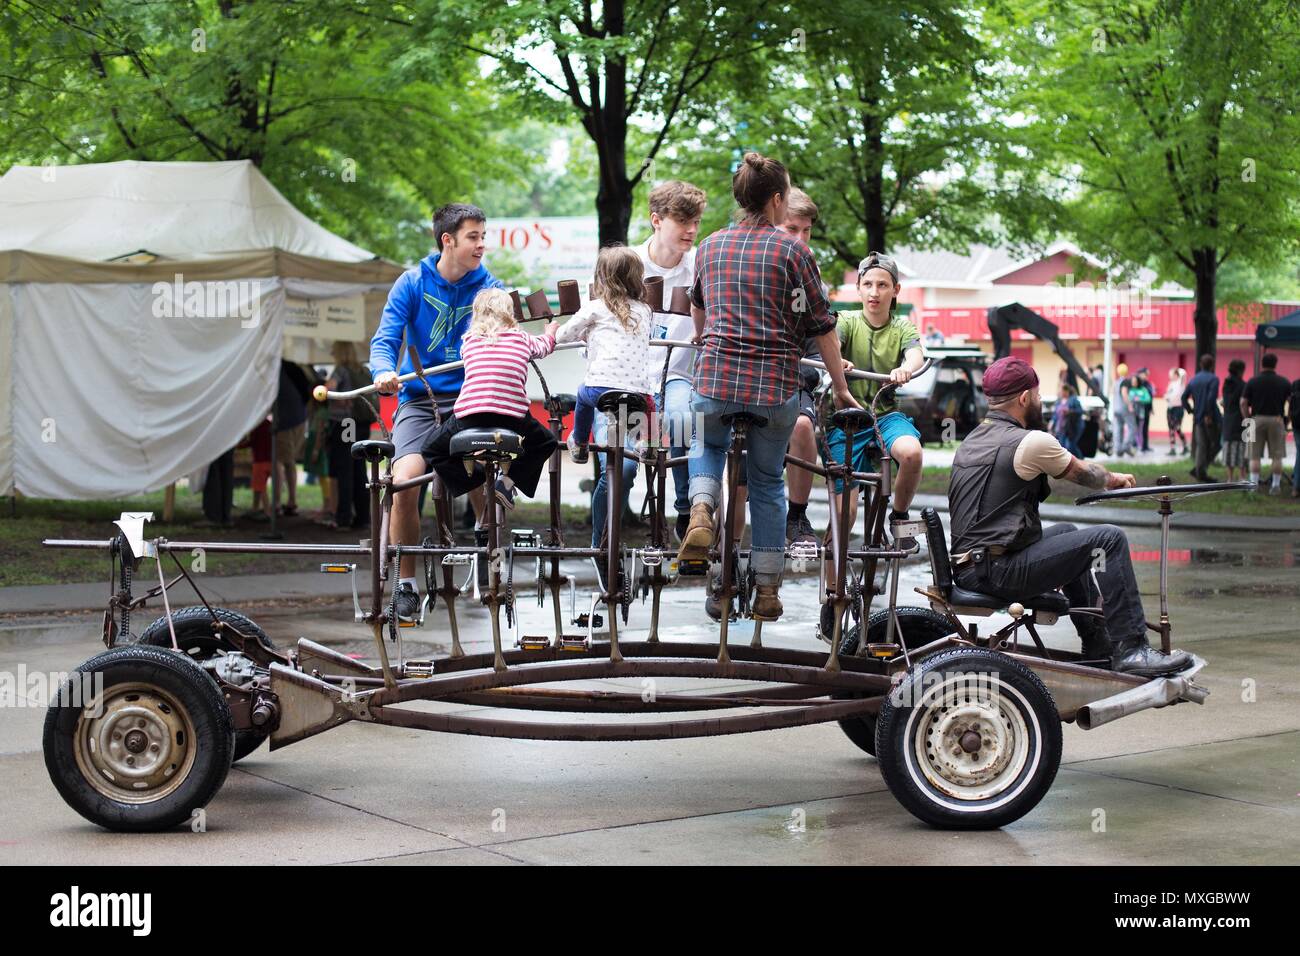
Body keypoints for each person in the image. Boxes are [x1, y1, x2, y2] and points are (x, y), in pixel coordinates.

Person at [677, 152, 859, 621]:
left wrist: (705, 335)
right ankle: (768, 588)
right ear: (777, 200)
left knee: (705, 438)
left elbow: (698, 308)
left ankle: (701, 507)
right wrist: (840, 388)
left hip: (714, 380)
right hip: (773, 390)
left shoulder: (710, 246)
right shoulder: (794, 253)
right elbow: (822, 326)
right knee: (765, 482)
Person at [947, 356, 1192, 677]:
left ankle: (1097, 642)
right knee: (1108, 539)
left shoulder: (972, 439)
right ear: (1024, 397)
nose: (1039, 401)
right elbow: (1084, 473)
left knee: (1066, 532)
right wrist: (1113, 478)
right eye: (1036, 395)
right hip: (995, 571)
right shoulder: (1030, 441)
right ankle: (1132, 649)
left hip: (972, 566)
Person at [371, 203, 504, 620]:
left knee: (485, 474)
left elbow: (504, 340)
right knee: (404, 482)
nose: (482, 245)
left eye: (483, 236)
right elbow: (385, 339)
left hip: (471, 399)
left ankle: (489, 555)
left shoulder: (490, 288)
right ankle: (406, 586)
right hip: (420, 402)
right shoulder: (411, 283)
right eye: (473, 237)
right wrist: (384, 371)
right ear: (448, 240)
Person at [818, 251, 926, 636]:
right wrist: (837, 362)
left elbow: (915, 352)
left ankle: (896, 518)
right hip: (847, 416)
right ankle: (832, 597)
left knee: (911, 454)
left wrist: (906, 369)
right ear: (859, 288)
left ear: (895, 290)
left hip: (884, 412)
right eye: (868, 285)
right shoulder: (846, 321)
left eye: (882, 285)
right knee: (843, 514)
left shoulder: (901, 327)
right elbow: (830, 341)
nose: (874, 292)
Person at [556, 246, 655, 549]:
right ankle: (648, 441)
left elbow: (563, 336)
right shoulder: (645, 311)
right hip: (637, 392)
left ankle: (579, 441)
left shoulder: (594, 308)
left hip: (600, 389)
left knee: (583, 396)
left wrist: (583, 335)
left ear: (601, 278)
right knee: (651, 404)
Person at [423, 289, 559, 507]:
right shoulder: (522, 339)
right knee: (546, 442)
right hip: (512, 418)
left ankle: (476, 478)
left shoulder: (468, 340)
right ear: (509, 312)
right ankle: (505, 482)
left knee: (430, 449)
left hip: (470, 416)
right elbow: (545, 347)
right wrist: (550, 332)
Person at [636, 180, 706, 544]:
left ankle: (685, 512)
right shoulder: (629, 266)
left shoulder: (700, 266)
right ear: (656, 220)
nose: (692, 230)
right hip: (629, 379)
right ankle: (608, 541)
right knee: (617, 455)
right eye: (683, 221)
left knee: (683, 419)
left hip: (677, 375)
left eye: (696, 221)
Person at [323, 341, 373, 530]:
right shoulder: (362, 371)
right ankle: (363, 517)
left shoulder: (341, 371)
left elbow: (328, 390)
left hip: (346, 423)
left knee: (345, 468)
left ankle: (343, 517)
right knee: (359, 467)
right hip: (362, 423)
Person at [1242, 352, 1291, 493]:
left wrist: (1248, 419)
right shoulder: (1284, 382)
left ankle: (1254, 486)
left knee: (1254, 455)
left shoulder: (1252, 381)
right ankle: (1275, 486)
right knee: (1277, 456)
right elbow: (1292, 402)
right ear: (1275, 365)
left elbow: (1243, 402)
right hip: (1277, 419)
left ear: (1262, 364)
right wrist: (1287, 420)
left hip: (1256, 420)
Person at [274, 359, 311, 516]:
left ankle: (277, 502)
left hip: (284, 420)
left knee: (279, 461)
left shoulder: (275, 368)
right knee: (289, 462)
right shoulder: (292, 366)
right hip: (299, 418)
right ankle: (291, 499)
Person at [1182, 354, 1220, 482]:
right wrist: (1208, 415)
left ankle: (1199, 470)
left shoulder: (1193, 380)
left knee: (1202, 446)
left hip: (1197, 418)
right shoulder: (1213, 379)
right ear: (1212, 365)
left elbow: (1183, 397)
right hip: (1211, 418)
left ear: (1200, 365)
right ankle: (1200, 471)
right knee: (1216, 444)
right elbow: (1210, 398)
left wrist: (1190, 410)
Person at [1220, 359, 1247, 483]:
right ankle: (1242, 477)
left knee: (1229, 448)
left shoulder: (1226, 384)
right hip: (1240, 419)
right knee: (1242, 449)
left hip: (1228, 420)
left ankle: (1230, 478)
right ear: (1240, 370)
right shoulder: (1242, 385)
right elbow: (1244, 402)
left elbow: (1224, 402)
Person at [1111, 362, 1136, 457]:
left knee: (1118, 428)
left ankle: (1118, 449)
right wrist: (1129, 405)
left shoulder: (1116, 382)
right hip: (1124, 408)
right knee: (1132, 427)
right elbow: (1124, 393)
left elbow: (1113, 393)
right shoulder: (1126, 381)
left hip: (1116, 408)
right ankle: (1126, 446)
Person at [1052, 382, 1084, 457]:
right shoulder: (1059, 401)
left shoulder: (1073, 400)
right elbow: (1056, 414)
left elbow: (1080, 411)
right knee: (1062, 447)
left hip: (1072, 427)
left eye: (1062, 391)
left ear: (1066, 391)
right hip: (1061, 427)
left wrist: (1069, 411)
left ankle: (1081, 459)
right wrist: (1052, 422)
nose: (1060, 392)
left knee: (1071, 446)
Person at [1164, 367, 1189, 455]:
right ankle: (1172, 448)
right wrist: (1167, 397)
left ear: (1176, 374)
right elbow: (1167, 394)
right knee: (1171, 428)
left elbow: (1184, 373)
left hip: (1178, 408)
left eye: (1172, 374)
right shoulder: (1171, 384)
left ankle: (1185, 446)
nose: (1170, 376)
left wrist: (1178, 370)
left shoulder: (1181, 383)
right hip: (1170, 408)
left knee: (1177, 428)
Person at [1133, 368, 1153, 452]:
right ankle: (1135, 444)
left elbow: (1150, 397)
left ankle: (1144, 445)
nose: (1146, 376)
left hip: (1146, 409)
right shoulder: (1138, 384)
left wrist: (1152, 408)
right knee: (1136, 427)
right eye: (1145, 374)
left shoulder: (1148, 384)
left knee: (1145, 428)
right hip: (1138, 409)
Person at [1289, 375, 1300, 497]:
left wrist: (1290, 420)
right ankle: (1296, 486)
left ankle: (1296, 487)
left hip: (1297, 422)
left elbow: (1291, 404)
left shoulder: (1296, 383)